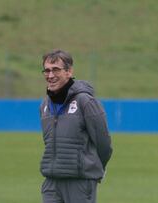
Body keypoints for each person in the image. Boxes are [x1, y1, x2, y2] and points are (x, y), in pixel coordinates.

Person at [39, 49, 112, 203]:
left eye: (56, 70)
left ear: (69, 71)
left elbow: (103, 143)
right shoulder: (44, 106)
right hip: (51, 182)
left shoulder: (85, 102)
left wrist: (96, 167)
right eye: (47, 70)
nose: (50, 75)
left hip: (80, 182)